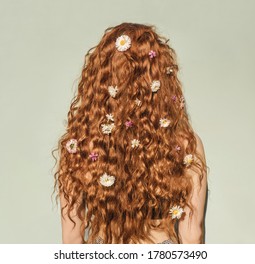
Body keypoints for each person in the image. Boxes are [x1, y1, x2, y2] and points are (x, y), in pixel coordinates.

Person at [52, 22, 208, 244]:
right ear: (160, 78)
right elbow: (193, 234)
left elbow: (71, 237)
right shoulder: (185, 144)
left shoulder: (81, 146)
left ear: (101, 78)